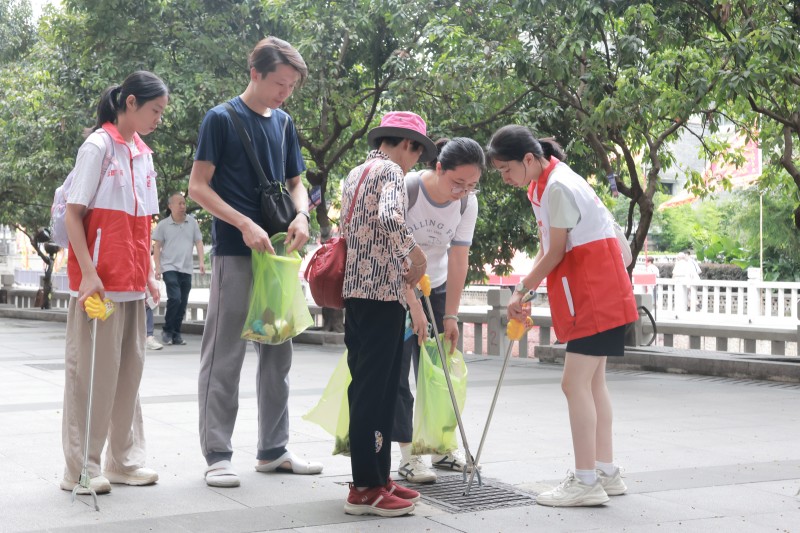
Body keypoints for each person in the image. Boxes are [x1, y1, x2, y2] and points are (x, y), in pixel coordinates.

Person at [188, 36, 321, 489]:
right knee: (225, 352)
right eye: (279, 83)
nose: (284, 93)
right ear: (255, 74)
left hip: (279, 253)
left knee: (278, 350)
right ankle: (218, 454)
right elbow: (198, 188)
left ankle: (273, 449)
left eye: (291, 86)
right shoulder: (220, 119)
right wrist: (243, 223)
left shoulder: (283, 123)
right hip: (235, 251)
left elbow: (296, 182)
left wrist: (302, 212)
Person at [487, 125, 638, 507]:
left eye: (506, 169)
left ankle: (586, 481)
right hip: (598, 291)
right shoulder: (548, 182)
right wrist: (527, 288)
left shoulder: (556, 186)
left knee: (574, 385)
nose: (504, 178)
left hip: (594, 293)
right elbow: (552, 251)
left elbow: (554, 253)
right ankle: (605, 472)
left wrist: (521, 290)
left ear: (528, 159)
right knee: (592, 384)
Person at [61, 71, 168, 494]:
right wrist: (89, 272)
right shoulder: (98, 147)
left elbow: (143, 224)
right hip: (97, 289)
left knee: (128, 376)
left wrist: (148, 276)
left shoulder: (143, 153)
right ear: (129, 103)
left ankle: (123, 460)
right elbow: (74, 214)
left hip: (132, 286)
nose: (159, 118)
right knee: (91, 378)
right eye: (154, 110)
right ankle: (80, 469)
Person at [341, 111, 432, 517]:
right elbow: (391, 218)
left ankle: (376, 476)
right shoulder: (391, 173)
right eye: (417, 152)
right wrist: (414, 254)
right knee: (375, 393)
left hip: (354, 294)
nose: (415, 162)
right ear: (406, 145)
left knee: (364, 387)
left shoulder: (354, 174)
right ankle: (366, 488)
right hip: (381, 296)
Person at [392, 137, 484, 484]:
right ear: (438, 167)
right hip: (400, 287)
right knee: (400, 374)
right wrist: (412, 302)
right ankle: (408, 457)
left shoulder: (466, 204)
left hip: (439, 287)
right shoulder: (408, 189)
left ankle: (442, 447)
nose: (462, 191)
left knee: (441, 372)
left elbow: (459, 256)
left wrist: (451, 315)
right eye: (456, 182)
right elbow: (393, 250)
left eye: (471, 185)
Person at [152, 193, 204, 346]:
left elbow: (199, 242)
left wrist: (201, 262)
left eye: (184, 203)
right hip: (169, 267)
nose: (183, 206)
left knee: (182, 303)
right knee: (175, 298)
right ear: (170, 206)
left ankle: (176, 333)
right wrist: (158, 268)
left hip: (186, 268)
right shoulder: (163, 225)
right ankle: (167, 330)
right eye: (179, 203)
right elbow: (157, 246)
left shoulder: (192, 223)